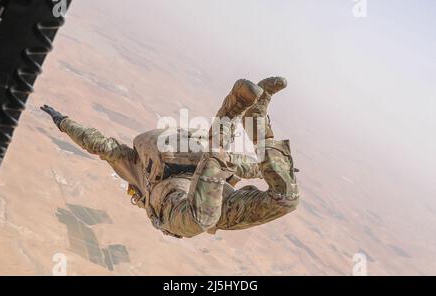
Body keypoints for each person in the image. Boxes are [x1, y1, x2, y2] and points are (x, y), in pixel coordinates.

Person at [41, 77, 300, 238]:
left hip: (193, 205)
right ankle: (247, 118)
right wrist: (62, 122)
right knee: (281, 200)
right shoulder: (138, 167)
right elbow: (98, 143)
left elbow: (98, 144)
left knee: (284, 201)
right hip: (206, 202)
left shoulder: (136, 170)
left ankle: (243, 114)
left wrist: (63, 122)